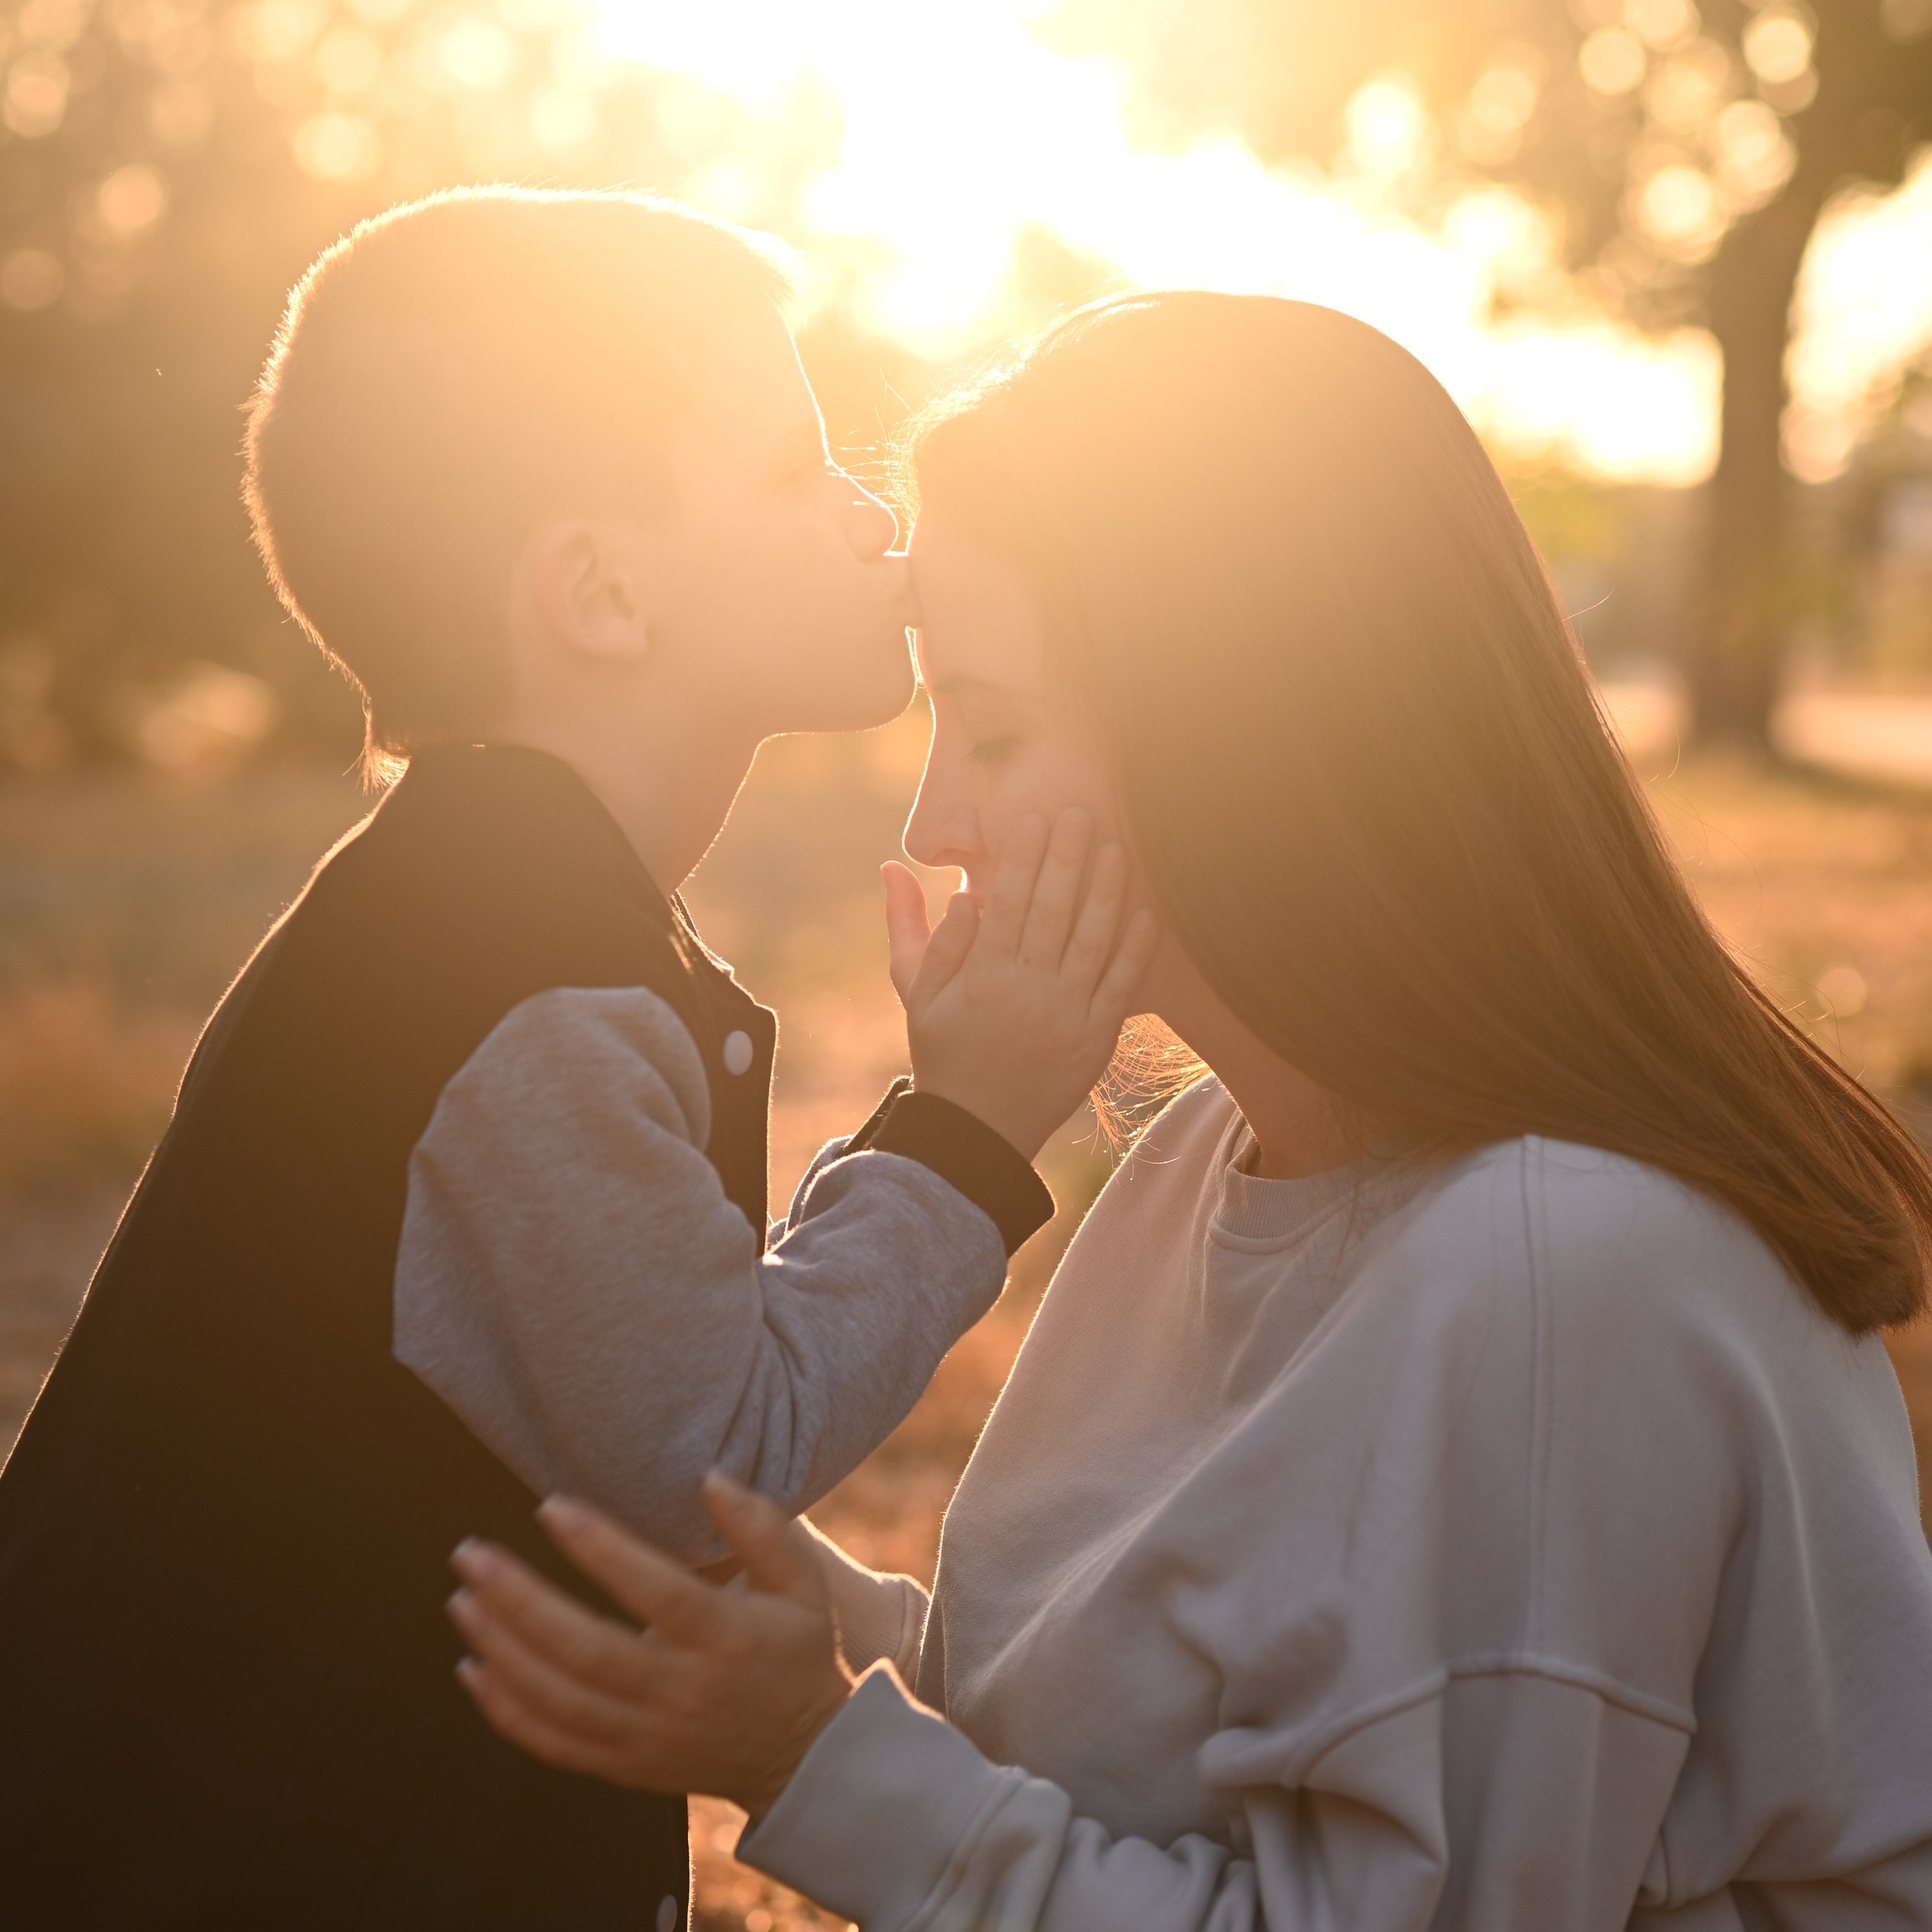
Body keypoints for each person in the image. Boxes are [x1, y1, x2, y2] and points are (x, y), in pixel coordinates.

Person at [446, 293, 1932, 1930]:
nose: (938, 820)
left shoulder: (1561, 1274)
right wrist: (824, 1645)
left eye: (993, 724)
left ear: (1241, 736)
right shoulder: (1194, 1165)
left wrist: (814, 1756)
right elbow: (1108, 1735)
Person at [0, 190, 1153, 1931]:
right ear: (601, 592)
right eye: (793, 466)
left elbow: (640, 1370)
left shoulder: (498, 911)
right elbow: (702, 1458)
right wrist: (970, 1133)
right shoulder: (513, 982)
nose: (869, 517)